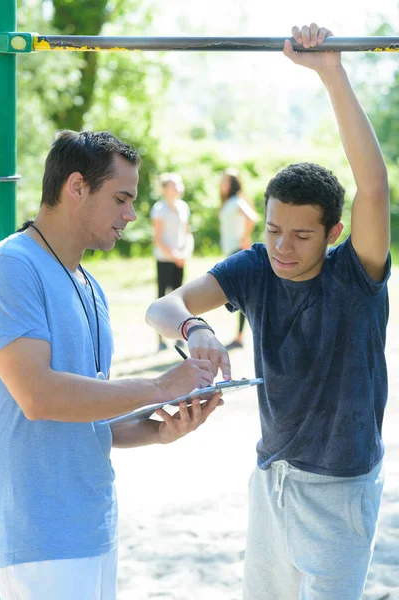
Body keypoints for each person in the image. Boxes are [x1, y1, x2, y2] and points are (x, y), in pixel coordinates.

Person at [145, 23, 391, 600]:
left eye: (301, 236)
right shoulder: (256, 266)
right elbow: (163, 306)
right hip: (271, 480)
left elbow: (374, 188)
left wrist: (331, 72)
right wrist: (195, 327)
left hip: (340, 488)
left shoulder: (355, 274)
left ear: (334, 232)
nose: (282, 246)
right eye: (275, 229)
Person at [0, 131, 221, 600]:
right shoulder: (12, 266)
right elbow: (38, 397)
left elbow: (92, 419)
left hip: (93, 530)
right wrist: (160, 385)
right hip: (36, 542)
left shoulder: (92, 288)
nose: (132, 214)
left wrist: (161, 428)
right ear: (76, 187)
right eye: (121, 198)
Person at [150, 172, 194, 351]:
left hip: (180, 260)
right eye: (173, 184)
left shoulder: (183, 207)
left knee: (179, 298)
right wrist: (174, 255)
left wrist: (185, 253)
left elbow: (187, 233)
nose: (177, 187)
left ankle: (179, 336)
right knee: (163, 296)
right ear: (165, 188)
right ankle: (160, 338)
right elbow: (158, 238)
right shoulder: (159, 209)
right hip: (165, 259)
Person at [219, 167, 258, 349]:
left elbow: (251, 218)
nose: (222, 184)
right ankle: (240, 335)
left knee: (240, 295)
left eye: (225, 181)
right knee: (237, 295)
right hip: (231, 251)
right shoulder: (228, 202)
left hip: (237, 250)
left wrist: (244, 238)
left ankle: (240, 336)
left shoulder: (236, 201)